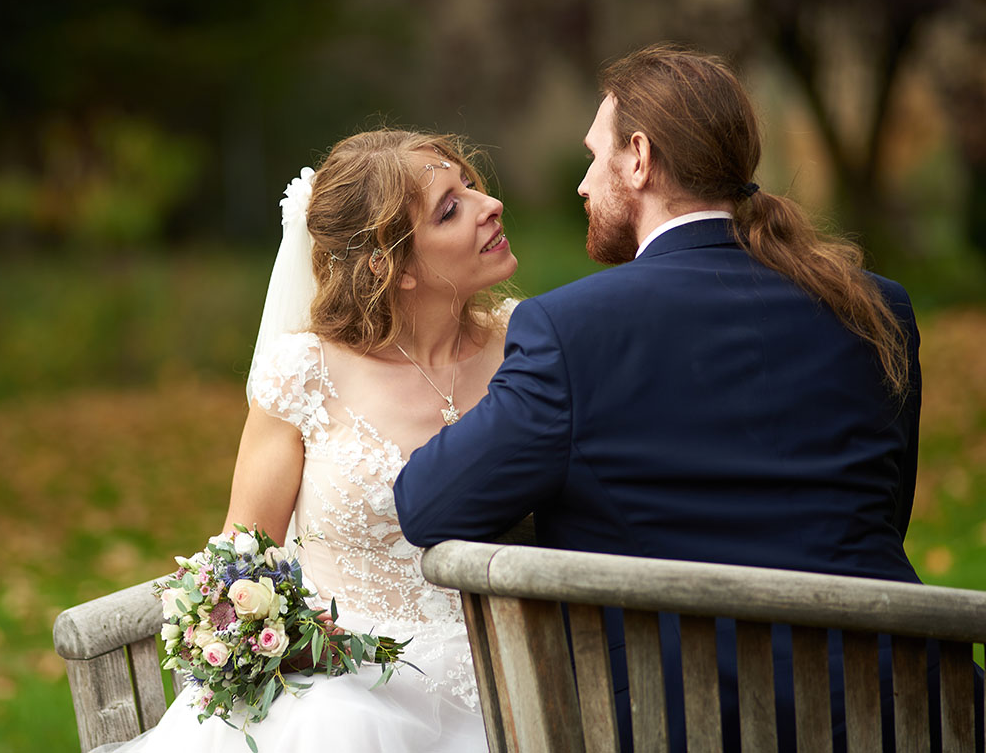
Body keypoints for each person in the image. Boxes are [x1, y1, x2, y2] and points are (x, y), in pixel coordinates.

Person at [393, 44, 930, 751]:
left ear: (639, 159)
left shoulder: (570, 330)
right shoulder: (876, 307)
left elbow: (430, 504)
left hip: (689, 722)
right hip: (909, 708)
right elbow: (884, 512)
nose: (584, 184)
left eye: (595, 156)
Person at [114, 129, 519, 753]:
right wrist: (270, 636)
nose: (486, 204)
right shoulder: (307, 373)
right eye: (450, 207)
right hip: (345, 679)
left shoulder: (526, 345)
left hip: (511, 673)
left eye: (469, 185)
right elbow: (239, 558)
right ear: (393, 265)